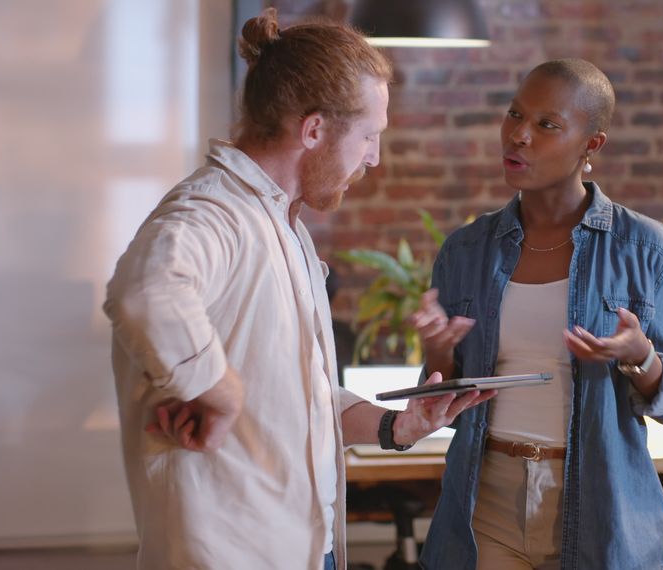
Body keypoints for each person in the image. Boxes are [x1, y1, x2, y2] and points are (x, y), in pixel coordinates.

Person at [103, 10, 492, 570]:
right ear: (313, 131)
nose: (373, 158)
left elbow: (299, 400)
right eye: (368, 136)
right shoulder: (214, 211)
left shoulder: (284, 227)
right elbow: (143, 291)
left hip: (308, 548)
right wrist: (218, 390)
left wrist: (396, 425)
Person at [408, 59, 663, 569]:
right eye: (514, 114)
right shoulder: (465, 251)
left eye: (547, 125)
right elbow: (446, 404)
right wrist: (438, 353)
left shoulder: (648, 249)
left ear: (592, 145)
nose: (519, 135)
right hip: (487, 503)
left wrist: (642, 358)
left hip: (601, 505)